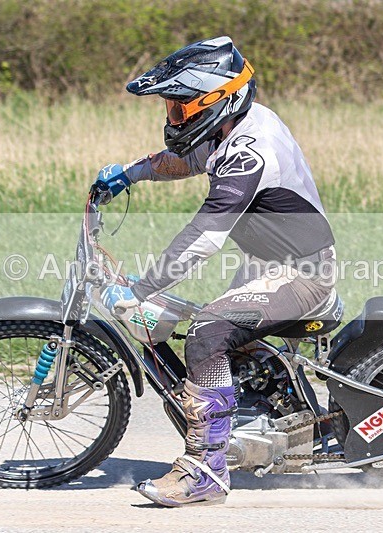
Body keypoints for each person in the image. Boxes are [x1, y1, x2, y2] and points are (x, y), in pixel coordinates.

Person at [95, 36, 337, 507]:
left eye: (180, 108)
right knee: (215, 329)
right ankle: (272, 424)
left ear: (216, 100)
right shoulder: (238, 121)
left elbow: (205, 237)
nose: (174, 118)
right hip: (268, 266)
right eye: (171, 109)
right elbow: (191, 157)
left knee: (206, 332)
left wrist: (141, 289)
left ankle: (205, 472)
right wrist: (132, 172)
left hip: (301, 276)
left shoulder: (250, 150)